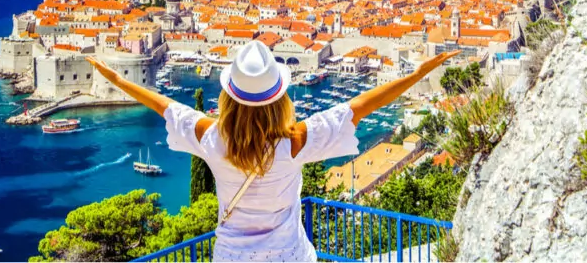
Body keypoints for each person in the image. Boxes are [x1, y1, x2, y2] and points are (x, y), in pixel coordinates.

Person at [88, 41, 459, 262]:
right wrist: (416, 74)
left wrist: (118, 80)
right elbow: (360, 105)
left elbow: (163, 105)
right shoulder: (295, 142)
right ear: (278, 98)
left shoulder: (212, 139)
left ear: (228, 97)